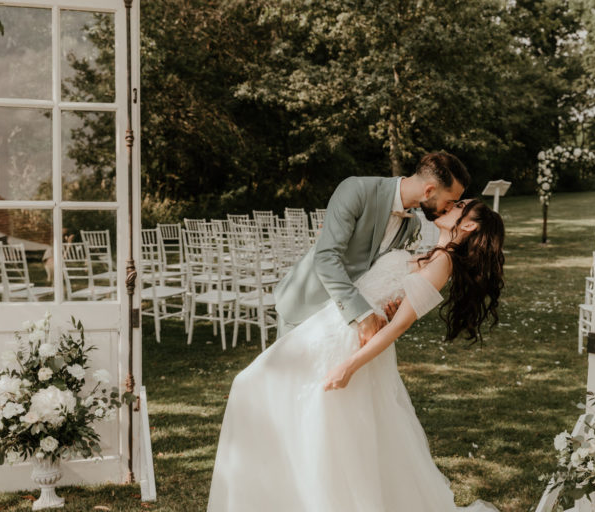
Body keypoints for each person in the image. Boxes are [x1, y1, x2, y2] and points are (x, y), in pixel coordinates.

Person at [207, 199, 505, 512]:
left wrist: (349, 366)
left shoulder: (443, 263)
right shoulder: (429, 250)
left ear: (469, 225)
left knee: (318, 425)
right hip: (330, 325)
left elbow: (399, 326)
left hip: (349, 343)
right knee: (258, 388)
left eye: (460, 205)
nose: (452, 204)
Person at [273, 152, 470, 347]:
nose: (449, 209)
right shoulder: (356, 189)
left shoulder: (412, 225)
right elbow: (326, 257)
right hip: (306, 308)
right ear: (428, 191)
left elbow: (381, 271)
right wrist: (362, 313)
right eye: (450, 201)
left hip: (343, 329)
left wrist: (388, 304)